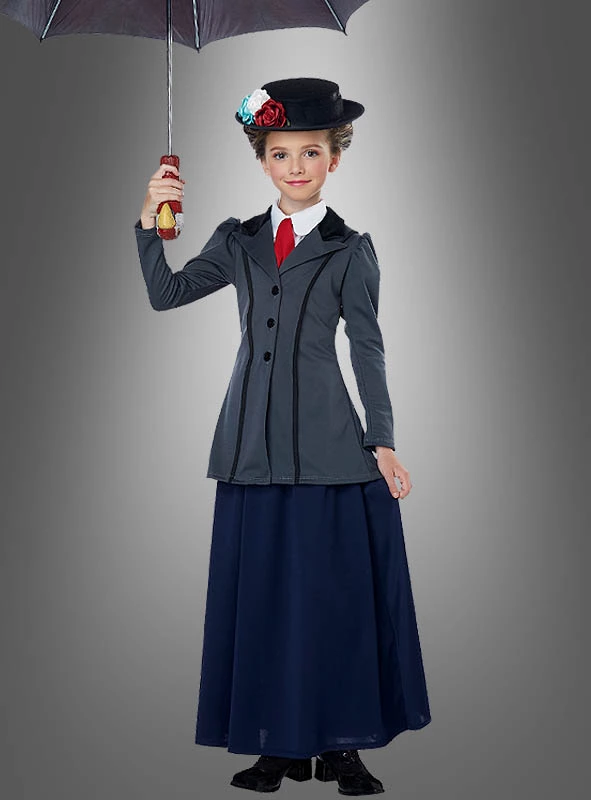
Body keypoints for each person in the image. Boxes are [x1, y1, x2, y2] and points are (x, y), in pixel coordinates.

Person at [134, 77, 431, 796]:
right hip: (249, 449)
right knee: (262, 603)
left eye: (310, 152)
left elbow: (367, 346)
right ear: (262, 159)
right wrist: (149, 223)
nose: (295, 167)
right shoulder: (237, 241)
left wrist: (382, 438)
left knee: (332, 602)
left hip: (330, 450)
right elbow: (166, 294)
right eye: (279, 153)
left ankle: (341, 748)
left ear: (336, 156)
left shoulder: (349, 249)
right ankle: (275, 746)